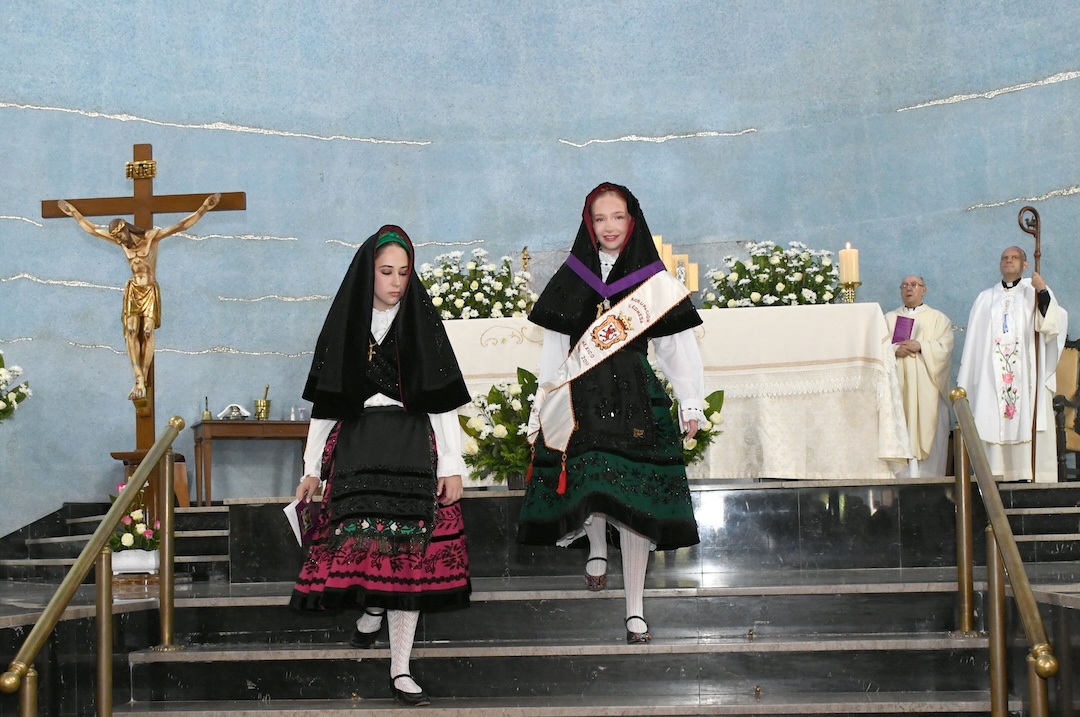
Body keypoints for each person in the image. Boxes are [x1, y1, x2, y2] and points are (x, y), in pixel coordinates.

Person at [290, 226, 472, 706]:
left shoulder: (422, 325)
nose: (395, 282)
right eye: (386, 271)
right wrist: (312, 468)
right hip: (357, 445)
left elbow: (442, 403)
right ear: (366, 272)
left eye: (404, 273)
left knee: (408, 556)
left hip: (411, 444)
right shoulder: (344, 325)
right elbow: (326, 404)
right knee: (364, 544)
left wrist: (451, 464)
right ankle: (372, 607)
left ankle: (400, 668)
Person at [519, 182, 703, 644]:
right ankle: (597, 546)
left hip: (635, 397)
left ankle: (635, 608)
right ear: (588, 223)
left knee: (635, 500)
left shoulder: (652, 279)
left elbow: (675, 348)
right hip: (580, 397)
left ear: (632, 220)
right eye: (600, 218)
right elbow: (554, 352)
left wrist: (690, 401)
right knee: (593, 484)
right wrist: (540, 407)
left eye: (618, 217)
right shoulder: (572, 276)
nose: (609, 227)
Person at [57, 194, 221, 400]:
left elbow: (181, 226)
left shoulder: (151, 238)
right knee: (131, 331)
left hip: (149, 290)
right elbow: (94, 230)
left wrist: (204, 208)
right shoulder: (122, 244)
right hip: (133, 290)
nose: (119, 240)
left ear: (126, 229)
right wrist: (74, 213)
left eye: (120, 235)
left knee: (147, 332)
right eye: (116, 237)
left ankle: (143, 378)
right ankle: (139, 380)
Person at [957, 246, 1068, 482]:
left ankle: (1027, 475)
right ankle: (996, 476)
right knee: (991, 413)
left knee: (1026, 414)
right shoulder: (985, 298)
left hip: (1027, 375)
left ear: (1025, 265)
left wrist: (1043, 291)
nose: (1009, 261)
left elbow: (1051, 325)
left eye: (1014, 258)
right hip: (991, 376)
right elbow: (975, 343)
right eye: (1005, 258)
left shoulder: (1034, 291)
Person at [884, 275, 955, 477]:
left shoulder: (938, 319)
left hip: (928, 392)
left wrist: (921, 346)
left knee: (930, 432)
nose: (909, 289)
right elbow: (877, 350)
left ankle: (929, 485)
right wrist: (893, 351)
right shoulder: (888, 319)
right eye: (905, 285)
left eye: (914, 285)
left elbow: (945, 348)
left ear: (924, 290)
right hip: (897, 392)